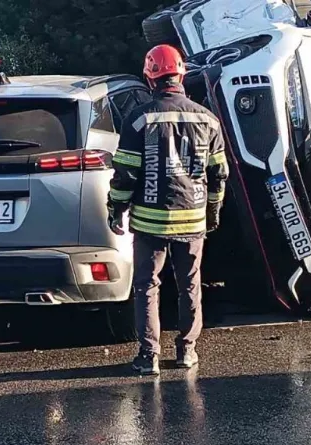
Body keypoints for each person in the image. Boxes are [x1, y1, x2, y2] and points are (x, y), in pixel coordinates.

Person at [107, 44, 229, 375]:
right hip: (192, 217)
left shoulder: (138, 119)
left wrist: (116, 208)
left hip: (148, 220)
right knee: (190, 283)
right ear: (181, 74)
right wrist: (213, 211)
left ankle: (149, 357)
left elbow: (125, 173)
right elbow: (219, 174)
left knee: (147, 285)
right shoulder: (208, 119)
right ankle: (187, 351)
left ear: (150, 78)